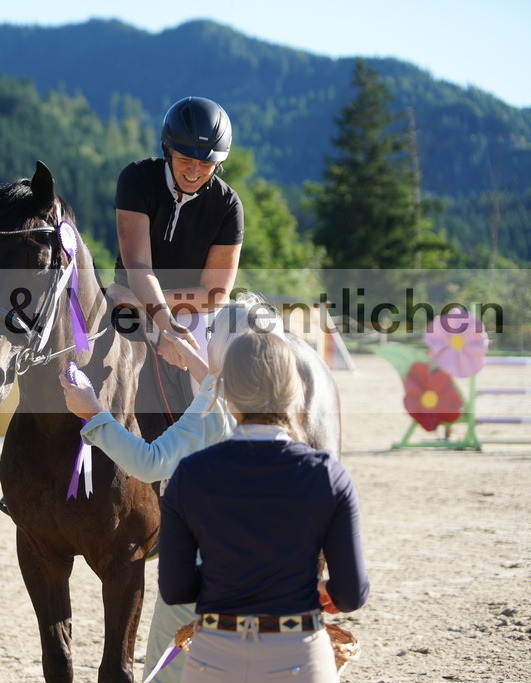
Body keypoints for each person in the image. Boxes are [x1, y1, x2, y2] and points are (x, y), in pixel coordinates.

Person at [63, 295, 281, 683]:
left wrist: (93, 415)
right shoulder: (273, 398)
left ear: (231, 347)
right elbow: (220, 388)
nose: (206, 337)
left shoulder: (213, 405)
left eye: (212, 332)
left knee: (167, 671)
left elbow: (151, 462)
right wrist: (192, 360)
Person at [159, 332, 369, 682]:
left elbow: (176, 589)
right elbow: (351, 594)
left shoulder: (190, 474)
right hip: (298, 654)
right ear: (297, 391)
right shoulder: (327, 475)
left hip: (214, 655)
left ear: (224, 393)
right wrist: (313, 587)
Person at [110, 96, 243, 393]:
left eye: (206, 163)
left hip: (189, 311)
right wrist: (163, 324)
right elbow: (139, 265)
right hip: (127, 302)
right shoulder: (137, 179)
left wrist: (144, 306)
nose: (194, 171)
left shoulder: (228, 205)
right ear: (168, 149)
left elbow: (215, 293)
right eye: (185, 159)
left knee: (208, 383)